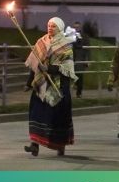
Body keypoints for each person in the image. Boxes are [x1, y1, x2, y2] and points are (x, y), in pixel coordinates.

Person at [24, 17, 78, 157]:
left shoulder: (66, 46)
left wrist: (49, 68)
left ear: (59, 28)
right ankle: (34, 145)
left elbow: (67, 67)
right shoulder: (41, 42)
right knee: (36, 112)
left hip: (58, 86)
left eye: (53, 26)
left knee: (57, 118)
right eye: (49, 25)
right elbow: (34, 63)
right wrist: (29, 82)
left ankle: (60, 145)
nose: (50, 28)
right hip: (41, 85)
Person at [69, 21, 88, 98]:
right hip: (72, 58)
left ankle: (79, 93)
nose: (76, 29)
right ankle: (75, 86)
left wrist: (87, 60)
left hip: (80, 58)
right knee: (72, 75)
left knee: (80, 75)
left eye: (77, 27)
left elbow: (87, 49)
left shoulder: (84, 36)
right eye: (75, 27)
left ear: (80, 27)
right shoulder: (70, 36)